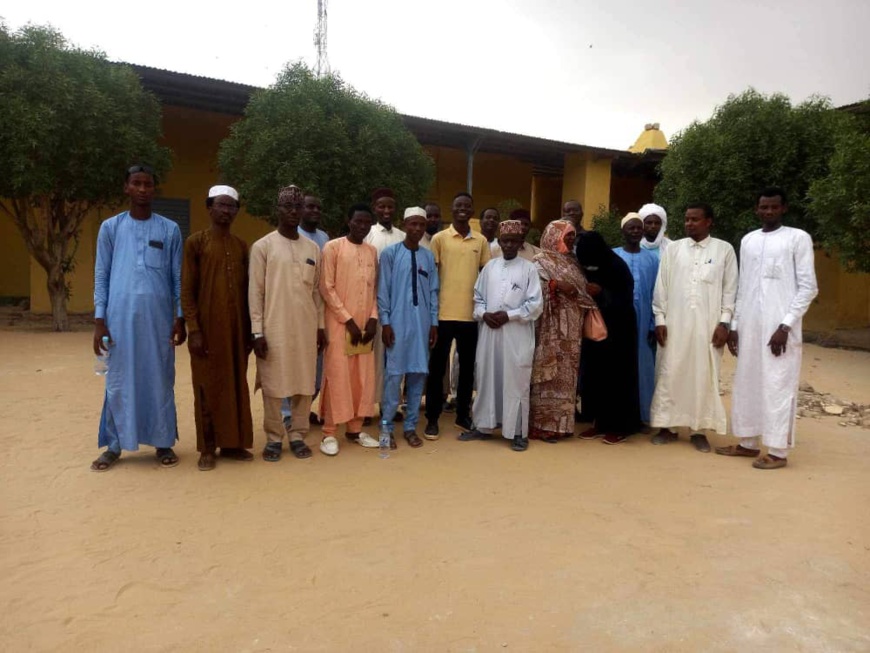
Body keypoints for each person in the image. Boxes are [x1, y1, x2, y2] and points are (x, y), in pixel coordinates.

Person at [90, 164, 185, 472]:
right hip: (118, 322)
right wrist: (99, 320)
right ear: (126, 188)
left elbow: (177, 278)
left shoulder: (169, 229)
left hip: (158, 322)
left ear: (154, 190)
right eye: (137, 183)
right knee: (119, 381)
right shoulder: (111, 228)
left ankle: (163, 441)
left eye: (148, 184)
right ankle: (115, 445)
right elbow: (102, 274)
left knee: (160, 378)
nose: (143, 189)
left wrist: (179, 317)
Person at [717, 188, 818, 469]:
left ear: (784, 208)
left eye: (774, 207)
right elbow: (742, 287)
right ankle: (748, 443)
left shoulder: (797, 238)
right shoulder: (748, 240)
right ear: (757, 209)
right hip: (749, 326)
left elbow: (808, 287)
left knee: (777, 385)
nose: (769, 212)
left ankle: (777, 451)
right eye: (764, 207)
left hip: (781, 329)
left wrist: (785, 325)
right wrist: (735, 326)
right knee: (747, 382)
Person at [649, 203, 738, 452]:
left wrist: (725, 322)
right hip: (674, 325)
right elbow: (661, 288)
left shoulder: (724, 250)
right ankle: (667, 427)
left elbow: (730, 290)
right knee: (670, 372)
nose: (689, 224)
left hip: (709, 327)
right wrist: (660, 320)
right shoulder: (674, 249)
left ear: (708, 221)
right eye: (687, 219)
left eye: (695, 220)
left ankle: (699, 430)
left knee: (703, 375)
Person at [249, 185, 326, 462]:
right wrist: (257, 331)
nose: (293, 212)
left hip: (305, 329)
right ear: (278, 210)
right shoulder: (263, 246)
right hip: (274, 327)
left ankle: (297, 435)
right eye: (287, 207)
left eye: (297, 207)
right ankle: (273, 438)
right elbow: (255, 292)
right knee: (273, 384)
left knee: (304, 383)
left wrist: (320, 327)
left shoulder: (312, 248)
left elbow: (317, 293)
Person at [181, 185, 254, 471]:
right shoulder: (196, 243)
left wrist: (250, 330)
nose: (226, 211)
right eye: (221, 205)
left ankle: (233, 444)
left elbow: (247, 291)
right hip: (207, 330)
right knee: (207, 386)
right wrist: (194, 329)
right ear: (209, 208)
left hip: (236, 330)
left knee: (236, 384)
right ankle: (208, 447)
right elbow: (187, 290)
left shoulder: (240, 246)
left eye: (231, 206)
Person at [462, 220, 543, 451]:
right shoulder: (490, 267)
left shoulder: (529, 269)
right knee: (487, 377)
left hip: (515, 334)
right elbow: (477, 297)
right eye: (505, 240)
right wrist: (484, 314)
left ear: (520, 243)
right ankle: (483, 426)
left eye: (513, 241)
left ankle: (518, 432)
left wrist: (510, 315)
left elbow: (535, 305)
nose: (508, 245)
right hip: (490, 333)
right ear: (499, 242)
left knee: (516, 380)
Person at [425, 192, 492, 437]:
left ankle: (463, 414)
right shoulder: (440, 239)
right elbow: (432, 279)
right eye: (458, 206)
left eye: (467, 206)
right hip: (443, 315)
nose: (462, 209)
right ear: (451, 210)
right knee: (436, 369)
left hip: (470, 316)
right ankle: (432, 417)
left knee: (466, 369)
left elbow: (485, 277)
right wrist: (432, 315)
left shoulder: (481, 242)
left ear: (472, 211)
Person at [319, 204, 380, 455]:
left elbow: (374, 289)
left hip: (365, 327)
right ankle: (329, 433)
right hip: (339, 325)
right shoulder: (333, 247)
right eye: (358, 221)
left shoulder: (372, 251)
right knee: (337, 375)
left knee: (361, 377)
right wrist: (349, 320)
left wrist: (373, 318)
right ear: (349, 221)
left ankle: (354, 429)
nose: (362, 226)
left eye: (367, 222)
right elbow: (326, 287)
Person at [378, 207, 440, 448]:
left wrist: (433, 323)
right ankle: (386, 429)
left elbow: (433, 292)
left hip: (422, 325)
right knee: (394, 377)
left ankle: (411, 426)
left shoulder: (427, 257)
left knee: (417, 376)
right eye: (412, 224)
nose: (417, 229)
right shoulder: (390, 254)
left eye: (421, 225)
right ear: (404, 225)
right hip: (397, 324)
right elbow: (383, 291)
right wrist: (385, 322)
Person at [530, 220, 596, 442]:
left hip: (572, 330)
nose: (569, 239)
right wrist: (555, 285)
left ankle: (562, 424)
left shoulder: (573, 261)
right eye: (565, 235)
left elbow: (582, 291)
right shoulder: (540, 261)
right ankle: (542, 424)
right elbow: (533, 290)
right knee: (547, 374)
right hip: (549, 328)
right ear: (552, 236)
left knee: (567, 377)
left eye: (571, 235)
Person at [575, 231, 643, 443]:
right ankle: (599, 423)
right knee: (596, 377)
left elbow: (625, 297)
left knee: (618, 378)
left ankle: (621, 426)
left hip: (619, 331)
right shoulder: (588, 265)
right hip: (595, 333)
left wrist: (602, 292)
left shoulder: (616, 266)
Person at [281, 192, 329, 428]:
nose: (314, 212)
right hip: (287, 313)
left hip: (315, 313)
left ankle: (304, 410)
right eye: (309, 207)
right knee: (288, 365)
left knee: (313, 368)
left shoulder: (323, 238)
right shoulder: (288, 236)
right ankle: (286, 414)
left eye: (318, 208)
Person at [613, 212, 659, 425]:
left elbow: (656, 294)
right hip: (617, 320)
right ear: (623, 230)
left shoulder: (653, 259)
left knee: (643, 366)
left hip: (644, 321)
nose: (635, 231)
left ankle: (642, 415)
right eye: (631, 228)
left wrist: (653, 324)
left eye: (638, 228)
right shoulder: (613, 256)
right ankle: (619, 414)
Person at [363, 187, 405, 417]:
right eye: (382, 206)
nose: (386, 210)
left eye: (390, 206)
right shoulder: (368, 233)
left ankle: (391, 405)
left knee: (394, 357)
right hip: (372, 305)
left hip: (398, 307)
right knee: (373, 359)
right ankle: (368, 406)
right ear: (374, 208)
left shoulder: (402, 236)